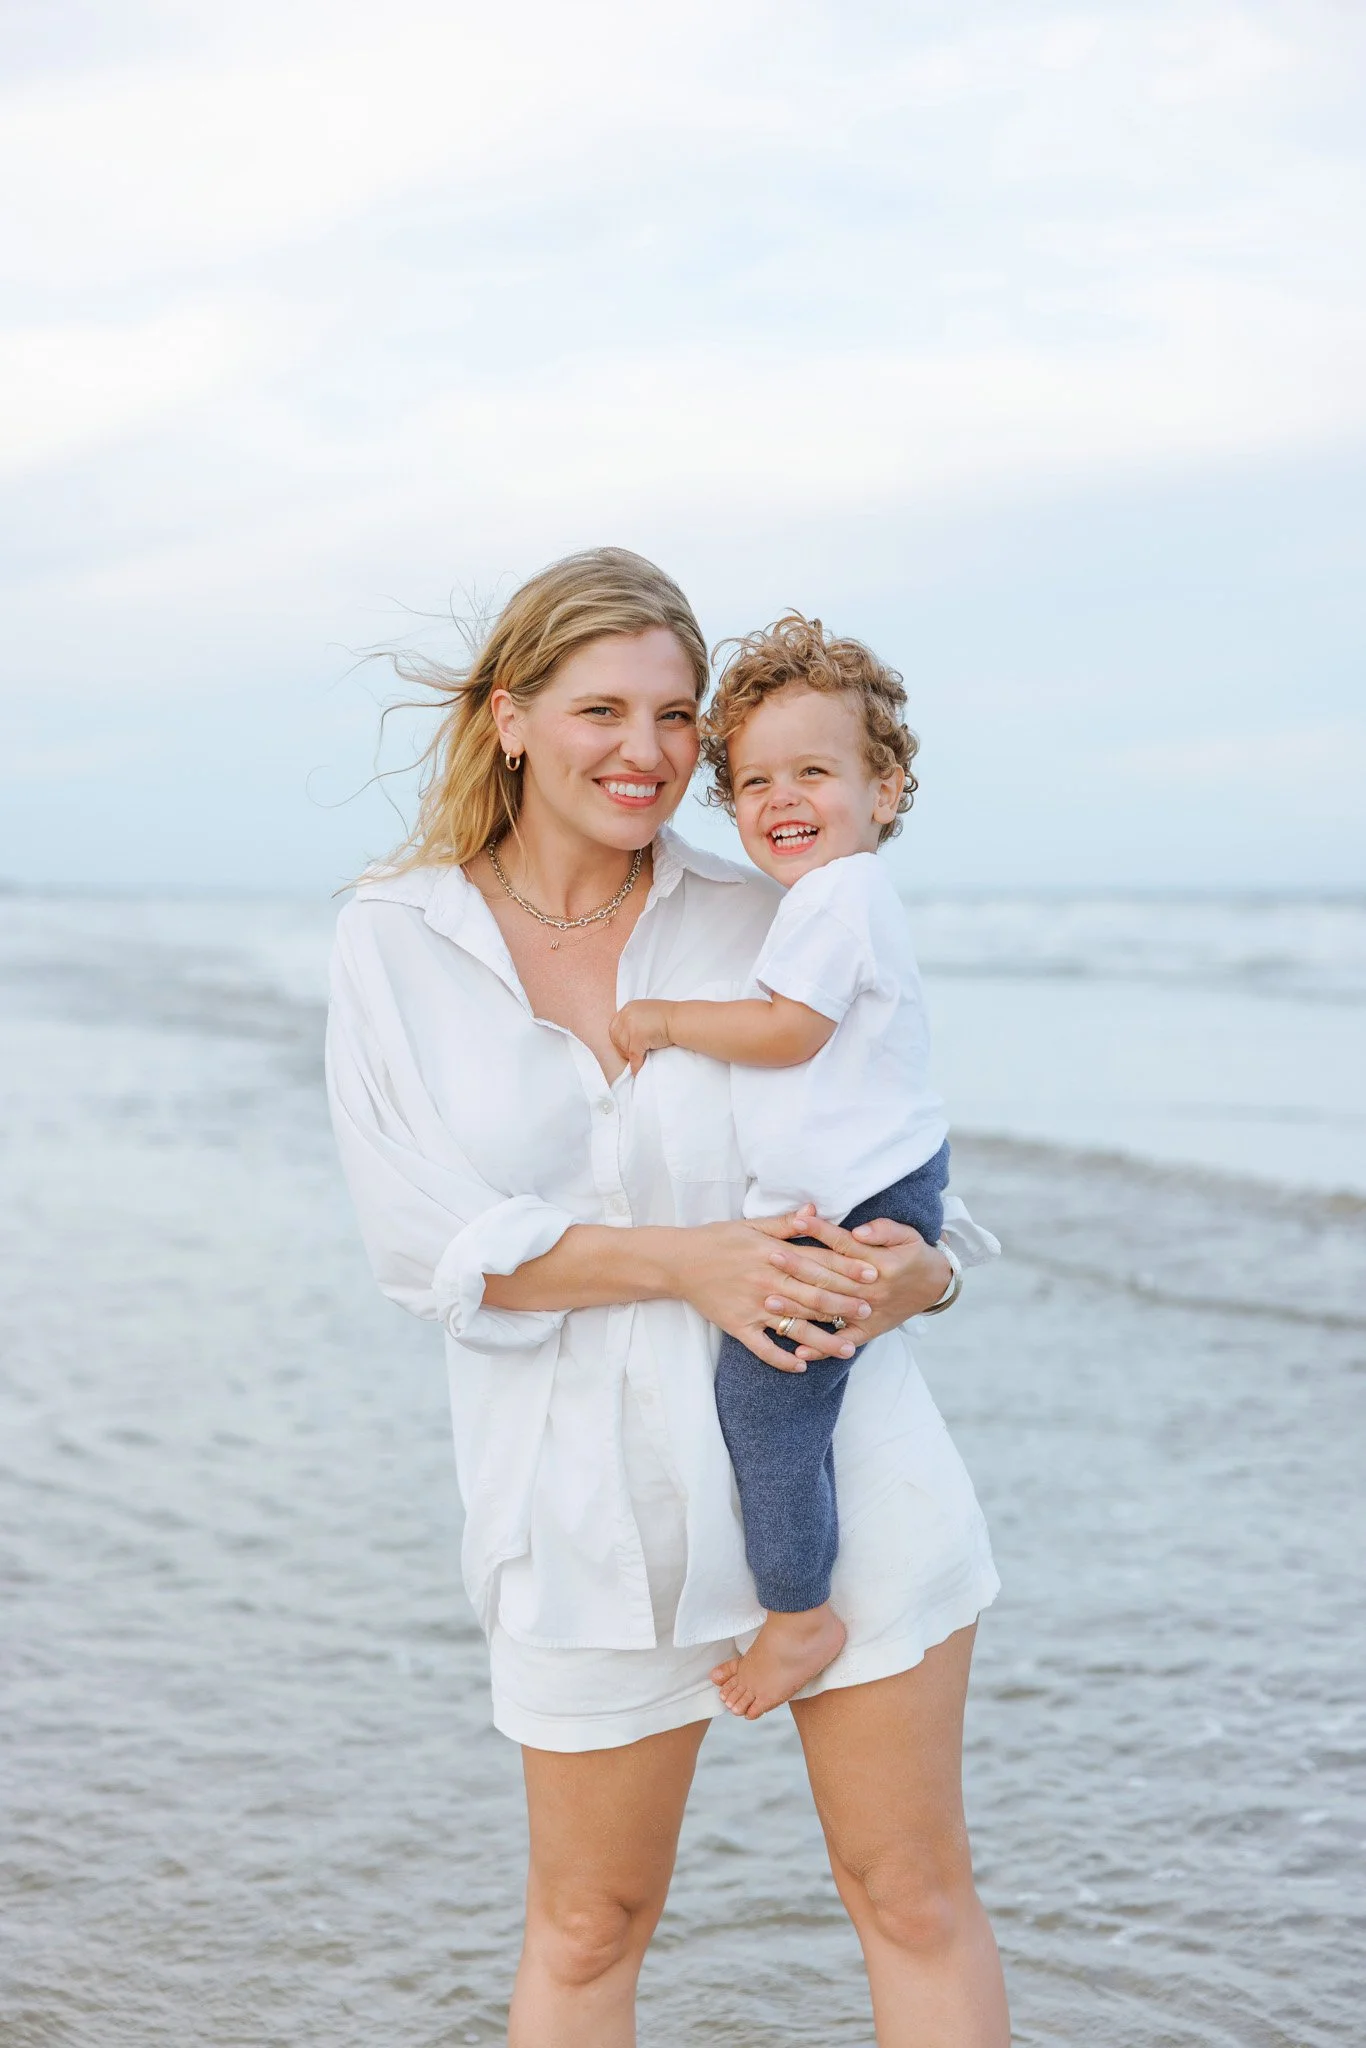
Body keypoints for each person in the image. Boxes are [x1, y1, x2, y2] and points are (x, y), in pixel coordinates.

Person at [326, 546, 1010, 2047]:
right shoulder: (396, 938)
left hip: (840, 1473)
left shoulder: (771, 903)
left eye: (674, 717)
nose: (644, 752)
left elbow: (909, 1159)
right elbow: (418, 1242)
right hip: (579, 1514)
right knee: (587, 1928)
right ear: (509, 716)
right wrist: (685, 1264)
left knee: (907, 1895)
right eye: (599, 711)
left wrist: (928, 1277)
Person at [610, 614, 971, 1722]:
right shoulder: (823, 900)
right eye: (755, 779)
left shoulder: (838, 897)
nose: (781, 799)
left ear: (886, 788)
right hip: (877, 1179)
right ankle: (799, 1590)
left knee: (765, 1404)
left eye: (813, 770)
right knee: (778, 1400)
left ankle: (798, 1610)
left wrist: (665, 1017)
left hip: (864, 1197)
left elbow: (787, 1032)